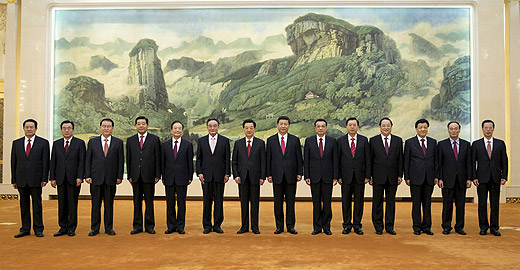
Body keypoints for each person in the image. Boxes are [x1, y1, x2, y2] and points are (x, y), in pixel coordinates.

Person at [85, 118, 124, 236]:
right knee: (95, 204)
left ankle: (108, 228)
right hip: (96, 178)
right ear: (100, 127)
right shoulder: (92, 142)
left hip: (111, 178)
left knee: (109, 204)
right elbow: (88, 160)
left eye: (108, 126)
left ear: (112, 128)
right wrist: (87, 175)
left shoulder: (118, 142)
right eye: (104, 126)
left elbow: (120, 161)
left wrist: (119, 176)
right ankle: (94, 228)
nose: (106, 128)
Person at [11, 119, 49, 238]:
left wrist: (44, 178)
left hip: (36, 179)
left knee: (37, 204)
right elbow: (14, 162)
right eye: (27, 127)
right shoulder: (16, 143)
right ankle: (25, 229)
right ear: (23, 128)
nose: (29, 129)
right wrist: (14, 179)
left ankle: (38, 229)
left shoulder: (43, 143)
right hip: (21, 179)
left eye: (31, 127)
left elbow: (45, 162)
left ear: (36, 129)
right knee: (24, 205)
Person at [266, 116, 303, 234]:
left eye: (285, 124)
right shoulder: (271, 140)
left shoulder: (295, 140)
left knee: (290, 202)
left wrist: (299, 173)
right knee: (278, 202)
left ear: (289, 126)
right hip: (276, 175)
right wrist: (269, 174)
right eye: (281, 124)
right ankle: (279, 226)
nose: (283, 126)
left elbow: (299, 158)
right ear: (277, 125)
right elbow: (268, 159)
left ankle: (291, 226)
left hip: (291, 175)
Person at [49, 120, 86, 237]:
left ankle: (72, 227)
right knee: (62, 203)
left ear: (73, 130)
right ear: (61, 130)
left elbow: (82, 161)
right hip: (60, 178)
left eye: (69, 128)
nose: (66, 130)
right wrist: (52, 178)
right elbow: (53, 161)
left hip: (74, 179)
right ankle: (62, 227)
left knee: (72, 203)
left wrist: (80, 176)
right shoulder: (56, 143)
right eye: (64, 128)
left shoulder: (79, 143)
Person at [472, 119, 508, 236]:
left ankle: (494, 227)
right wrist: (474, 177)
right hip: (481, 179)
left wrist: (504, 176)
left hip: (496, 178)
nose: (488, 130)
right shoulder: (476, 144)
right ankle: (483, 227)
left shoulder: (500, 143)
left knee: (495, 204)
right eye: (486, 128)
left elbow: (504, 161)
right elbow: (472, 163)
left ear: (493, 129)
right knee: (482, 203)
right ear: (482, 129)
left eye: (490, 127)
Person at [126, 116, 161, 235]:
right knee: (136, 202)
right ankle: (137, 226)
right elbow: (129, 159)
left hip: (149, 175)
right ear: (135, 126)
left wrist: (157, 174)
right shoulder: (130, 140)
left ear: (147, 125)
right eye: (139, 124)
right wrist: (129, 175)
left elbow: (157, 158)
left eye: (143, 123)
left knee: (149, 201)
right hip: (135, 176)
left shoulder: (154, 139)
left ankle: (150, 226)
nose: (141, 126)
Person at [304, 119, 338, 235]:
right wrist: (307, 175)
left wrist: (335, 176)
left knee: (327, 203)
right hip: (314, 177)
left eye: (323, 126)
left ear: (326, 128)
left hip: (328, 177)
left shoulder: (332, 141)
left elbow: (335, 160)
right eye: (318, 126)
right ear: (315, 128)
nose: (320, 128)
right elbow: (306, 160)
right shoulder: (309, 141)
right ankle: (317, 227)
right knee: (316, 203)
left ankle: (327, 227)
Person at [369, 117, 403, 235]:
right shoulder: (373, 141)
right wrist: (370, 175)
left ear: (391, 127)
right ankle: (378, 227)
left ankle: (389, 226)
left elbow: (400, 159)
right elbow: (370, 160)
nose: (386, 127)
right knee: (377, 202)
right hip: (377, 176)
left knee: (391, 202)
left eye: (388, 125)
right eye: (383, 125)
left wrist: (400, 174)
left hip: (393, 176)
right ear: (380, 127)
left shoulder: (398, 140)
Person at [437, 121, 472, 235]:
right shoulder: (442, 145)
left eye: (456, 128)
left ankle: (459, 226)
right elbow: (439, 163)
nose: (453, 131)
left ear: (459, 130)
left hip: (462, 180)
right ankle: (446, 226)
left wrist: (469, 178)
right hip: (447, 180)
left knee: (460, 204)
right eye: (451, 129)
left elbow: (469, 163)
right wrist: (440, 178)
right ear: (448, 130)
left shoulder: (466, 145)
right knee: (447, 204)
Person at [196, 118, 230, 234]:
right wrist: (199, 173)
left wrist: (227, 173)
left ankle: (217, 225)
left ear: (218, 127)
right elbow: (198, 159)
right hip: (205, 176)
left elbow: (227, 159)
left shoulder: (225, 141)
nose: (212, 128)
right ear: (207, 127)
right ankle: (207, 226)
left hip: (220, 176)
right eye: (210, 126)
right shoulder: (201, 141)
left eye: (214, 126)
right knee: (207, 201)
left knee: (219, 201)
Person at [404, 118, 437, 235]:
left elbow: (436, 161)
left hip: (429, 178)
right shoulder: (410, 142)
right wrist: (406, 177)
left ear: (427, 129)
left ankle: (427, 227)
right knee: (416, 203)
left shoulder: (433, 142)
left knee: (427, 203)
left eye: (425, 127)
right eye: (420, 127)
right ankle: (417, 227)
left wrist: (436, 176)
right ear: (416, 129)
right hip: (415, 178)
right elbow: (406, 161)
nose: (423, 129)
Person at [337, 117, 371, 235]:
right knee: (345, 201)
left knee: (359, 201)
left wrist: (367, 175)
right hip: (345, 177)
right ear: (346, 127)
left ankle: (357, 225)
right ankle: (346, 225)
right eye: (350, 125)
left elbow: (368, 159)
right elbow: (338, 160)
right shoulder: (340, 141)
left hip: (360, 176)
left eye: (354, 125)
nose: (352, 127)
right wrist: (338, 176)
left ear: (357, 127)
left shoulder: (363, 140)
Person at [232, 119, 266, 234]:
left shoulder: (260, 143)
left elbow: (263, 162)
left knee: (255, 203)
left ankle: (255, 227)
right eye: (246, 127)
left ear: (255, 129)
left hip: (255, 178)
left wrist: (262, 177)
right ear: (243, 129)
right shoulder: (238, 143)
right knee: (244, 203)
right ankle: (244, 227)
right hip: (242, 179)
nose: (249, 130)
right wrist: (236, 175)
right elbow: (234, 162)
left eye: (251, 127)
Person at [162, 121, 194, 234]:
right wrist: (163, 176)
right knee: (170, 203)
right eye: (175, 128)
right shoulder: (165, 145)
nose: (177, 130)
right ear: (171, 130)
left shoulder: (188, 145)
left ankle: (180, 226)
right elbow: (163, 162)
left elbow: (190, 162)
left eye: (179, 128)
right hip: (169, 178)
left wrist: (190, 176)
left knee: (181, 203)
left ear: (182, 131)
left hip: (182, 178)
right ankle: (171, 226)